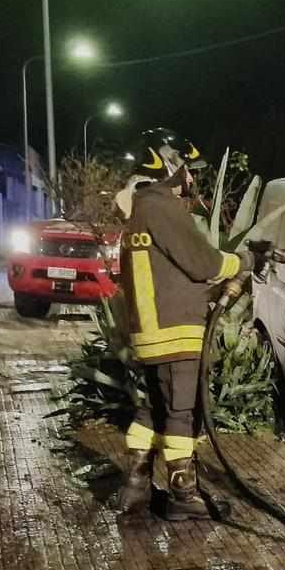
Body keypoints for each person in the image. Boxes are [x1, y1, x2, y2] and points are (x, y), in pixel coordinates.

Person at [112, 128, 242, 521]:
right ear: (168, 163)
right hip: (175, 333)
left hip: (150, 333)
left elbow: (168, 274)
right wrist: (243, 262)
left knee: (153, 409)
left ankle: (135, 487)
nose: (190, 177)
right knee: (182, 414)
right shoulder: (160, 206)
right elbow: (203, 263)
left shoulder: (138, 209)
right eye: (186, 167)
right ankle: (183, 495)